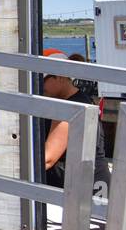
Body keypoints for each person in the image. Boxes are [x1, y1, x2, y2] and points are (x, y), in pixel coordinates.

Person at [39, 48, 105, 189]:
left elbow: (47, 159)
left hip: (87, 190)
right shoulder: (73, 101)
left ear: (61, 77)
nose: (37, 85)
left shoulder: (71, 107)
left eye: (41, 80)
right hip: (82, 184)